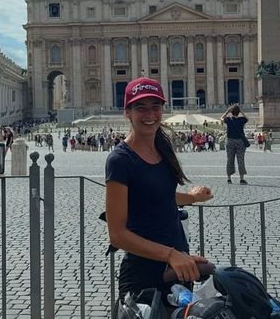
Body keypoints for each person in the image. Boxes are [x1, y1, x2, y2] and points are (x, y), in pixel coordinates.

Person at [104, 77, 213, 300]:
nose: (150, 115)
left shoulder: (163, 149)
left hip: (178, 268)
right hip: (144, 273)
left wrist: (193, 198)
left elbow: (155, 196)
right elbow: (117, 235)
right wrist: (171, 255)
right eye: (141, 108)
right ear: (128, 112)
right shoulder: (120, 160)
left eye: (156, 107)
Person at [222, 104, 248, 184]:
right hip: (240, 141)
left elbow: (221, 119)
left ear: (231, 112)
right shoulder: (242, 119)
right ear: (238, 112)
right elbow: (247, 118)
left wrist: (227, 112)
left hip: (230, 141)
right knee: (241, 160)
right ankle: (241, 179)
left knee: (230, 159)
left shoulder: (228, 119)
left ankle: (229, 178)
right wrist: (241, 111)